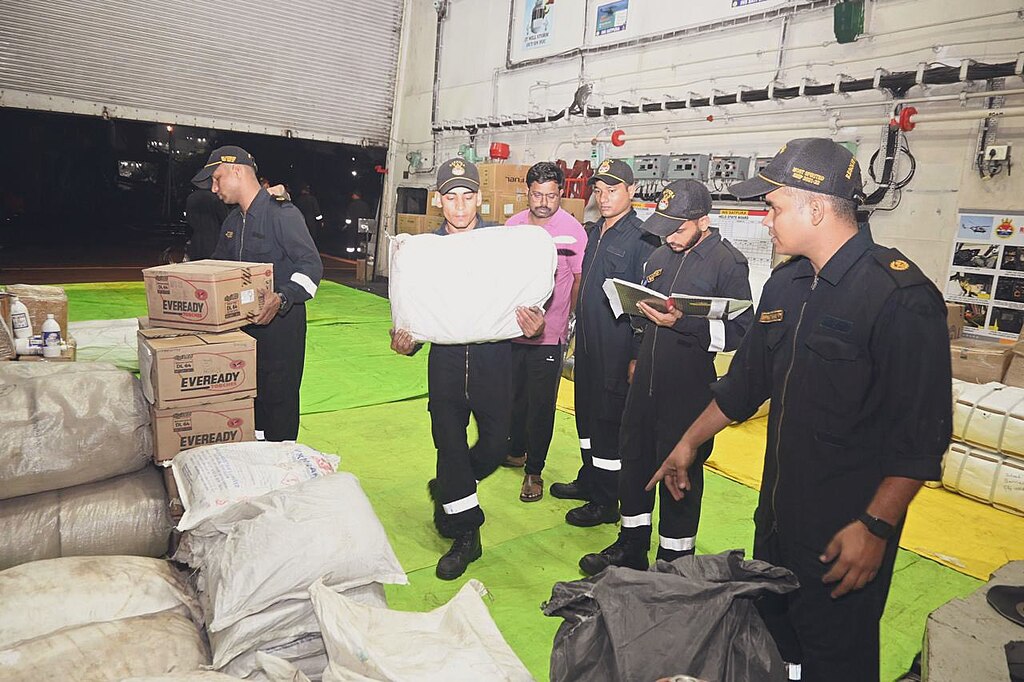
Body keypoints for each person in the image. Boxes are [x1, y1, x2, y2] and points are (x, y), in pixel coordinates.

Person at [647, 138, 952, 682]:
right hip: (778, 522)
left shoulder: (899, 296)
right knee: (772, 649)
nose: (766, 220)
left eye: (773, 206)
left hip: (845, 536)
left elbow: (922, 438)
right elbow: (745, 385)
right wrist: (688, 443)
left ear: (815, 206)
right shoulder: (786, 284)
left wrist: (875, 528)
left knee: (835, 661)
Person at [579, 179, 753, 575]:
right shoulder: (657, 256)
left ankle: (674, 562)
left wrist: (685, 324)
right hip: (643, 385)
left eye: (679, 228)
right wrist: (637, 354)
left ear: (703, 220)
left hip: (687, 390)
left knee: (679, 477)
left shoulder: (728, 263)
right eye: (666, 228)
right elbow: (645, 317)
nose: (671, 237)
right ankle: (631, 544)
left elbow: (742, 334)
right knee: (635, 464)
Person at [389, 158, 545, 580]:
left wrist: (535, 324)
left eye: (468, 196)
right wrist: (405, 340)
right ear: (439, 201)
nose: (459, 207)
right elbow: (413, 314)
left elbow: (527, 299)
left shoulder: (501, 244)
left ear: (480, 197)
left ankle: (448, 489)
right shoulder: (424, 252)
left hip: (494, 361)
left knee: (496, 446)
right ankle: (466, 533)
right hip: (445, 363)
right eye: (451, 197)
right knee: (451, 446)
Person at [550, 159, 658, 527]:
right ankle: (589, 478)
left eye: (613, 190)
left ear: (633, 191)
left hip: (617, 346)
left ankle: (607, 500)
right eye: (599, 190)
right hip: (589, 344)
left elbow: (646, 303)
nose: (604, 196)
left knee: (609, 422)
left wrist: (635, 355)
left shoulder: (644, 240)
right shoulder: (595, 232)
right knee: (586, 416)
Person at [191, 145, 324, 442]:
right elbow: (217, 270)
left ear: (237, 171)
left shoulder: (282, 215)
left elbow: (311, 267)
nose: (214, 189)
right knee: (250, 402)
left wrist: (283, 297)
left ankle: (283, 464)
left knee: (278, 402)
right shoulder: (232, 222)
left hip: (279, 333)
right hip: (242, 336)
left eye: (217, 179)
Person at [502, 162, 588, 503]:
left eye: (551, 195)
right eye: (537, 194)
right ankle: (515, 451)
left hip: (549, 336)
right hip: (511, 331)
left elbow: (579, 280)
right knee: (512, 397)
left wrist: (571, 321)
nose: (543, 202)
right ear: (527, 192)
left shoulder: (573, 231)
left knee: (540, 406)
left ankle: (534, 471)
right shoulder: (513, 225)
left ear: (561, 194)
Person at [185, 188, 230, 260]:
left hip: (196, 239)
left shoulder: (191, 198)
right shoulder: (215, 198)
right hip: (214, 239)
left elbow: (188, 218)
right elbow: (224, 218)